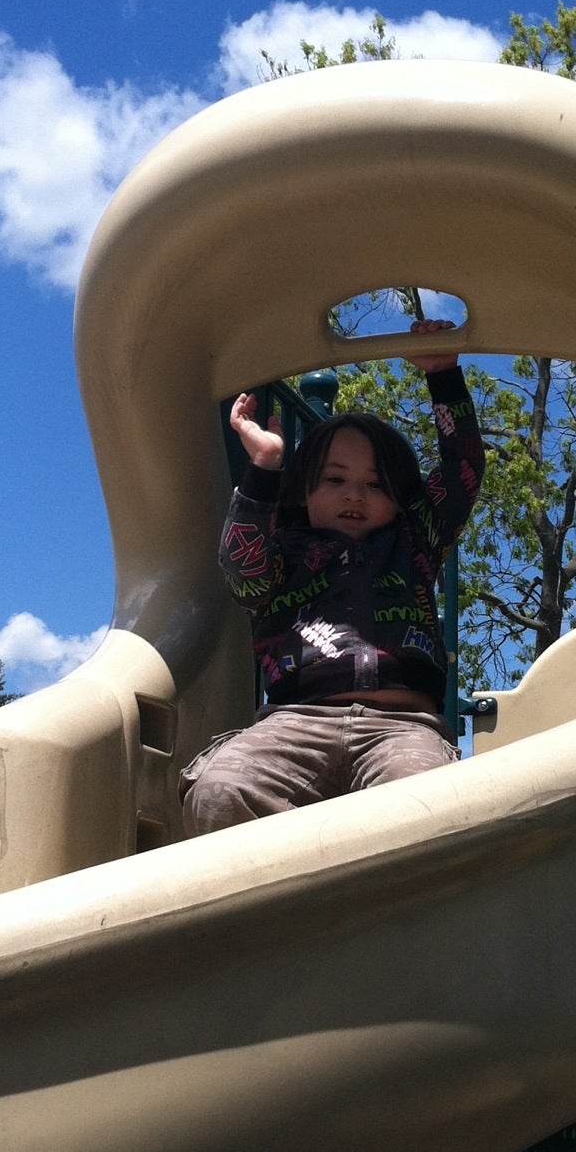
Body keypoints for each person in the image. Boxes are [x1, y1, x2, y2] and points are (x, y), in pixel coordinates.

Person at [181, 319, 485, 835]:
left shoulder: (414, 541)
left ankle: (375, 905)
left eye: (375, 484)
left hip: (402, 728)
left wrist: (444, 381)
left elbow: (464, 469)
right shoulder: (285, 553)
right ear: (303, 491)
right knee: (219, 793)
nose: (354, 495)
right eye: (336, 480)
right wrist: (264, 469)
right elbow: (242, 573)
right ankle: (287, 901)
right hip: (295, 722)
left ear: (401, 498)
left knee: (427, 805)